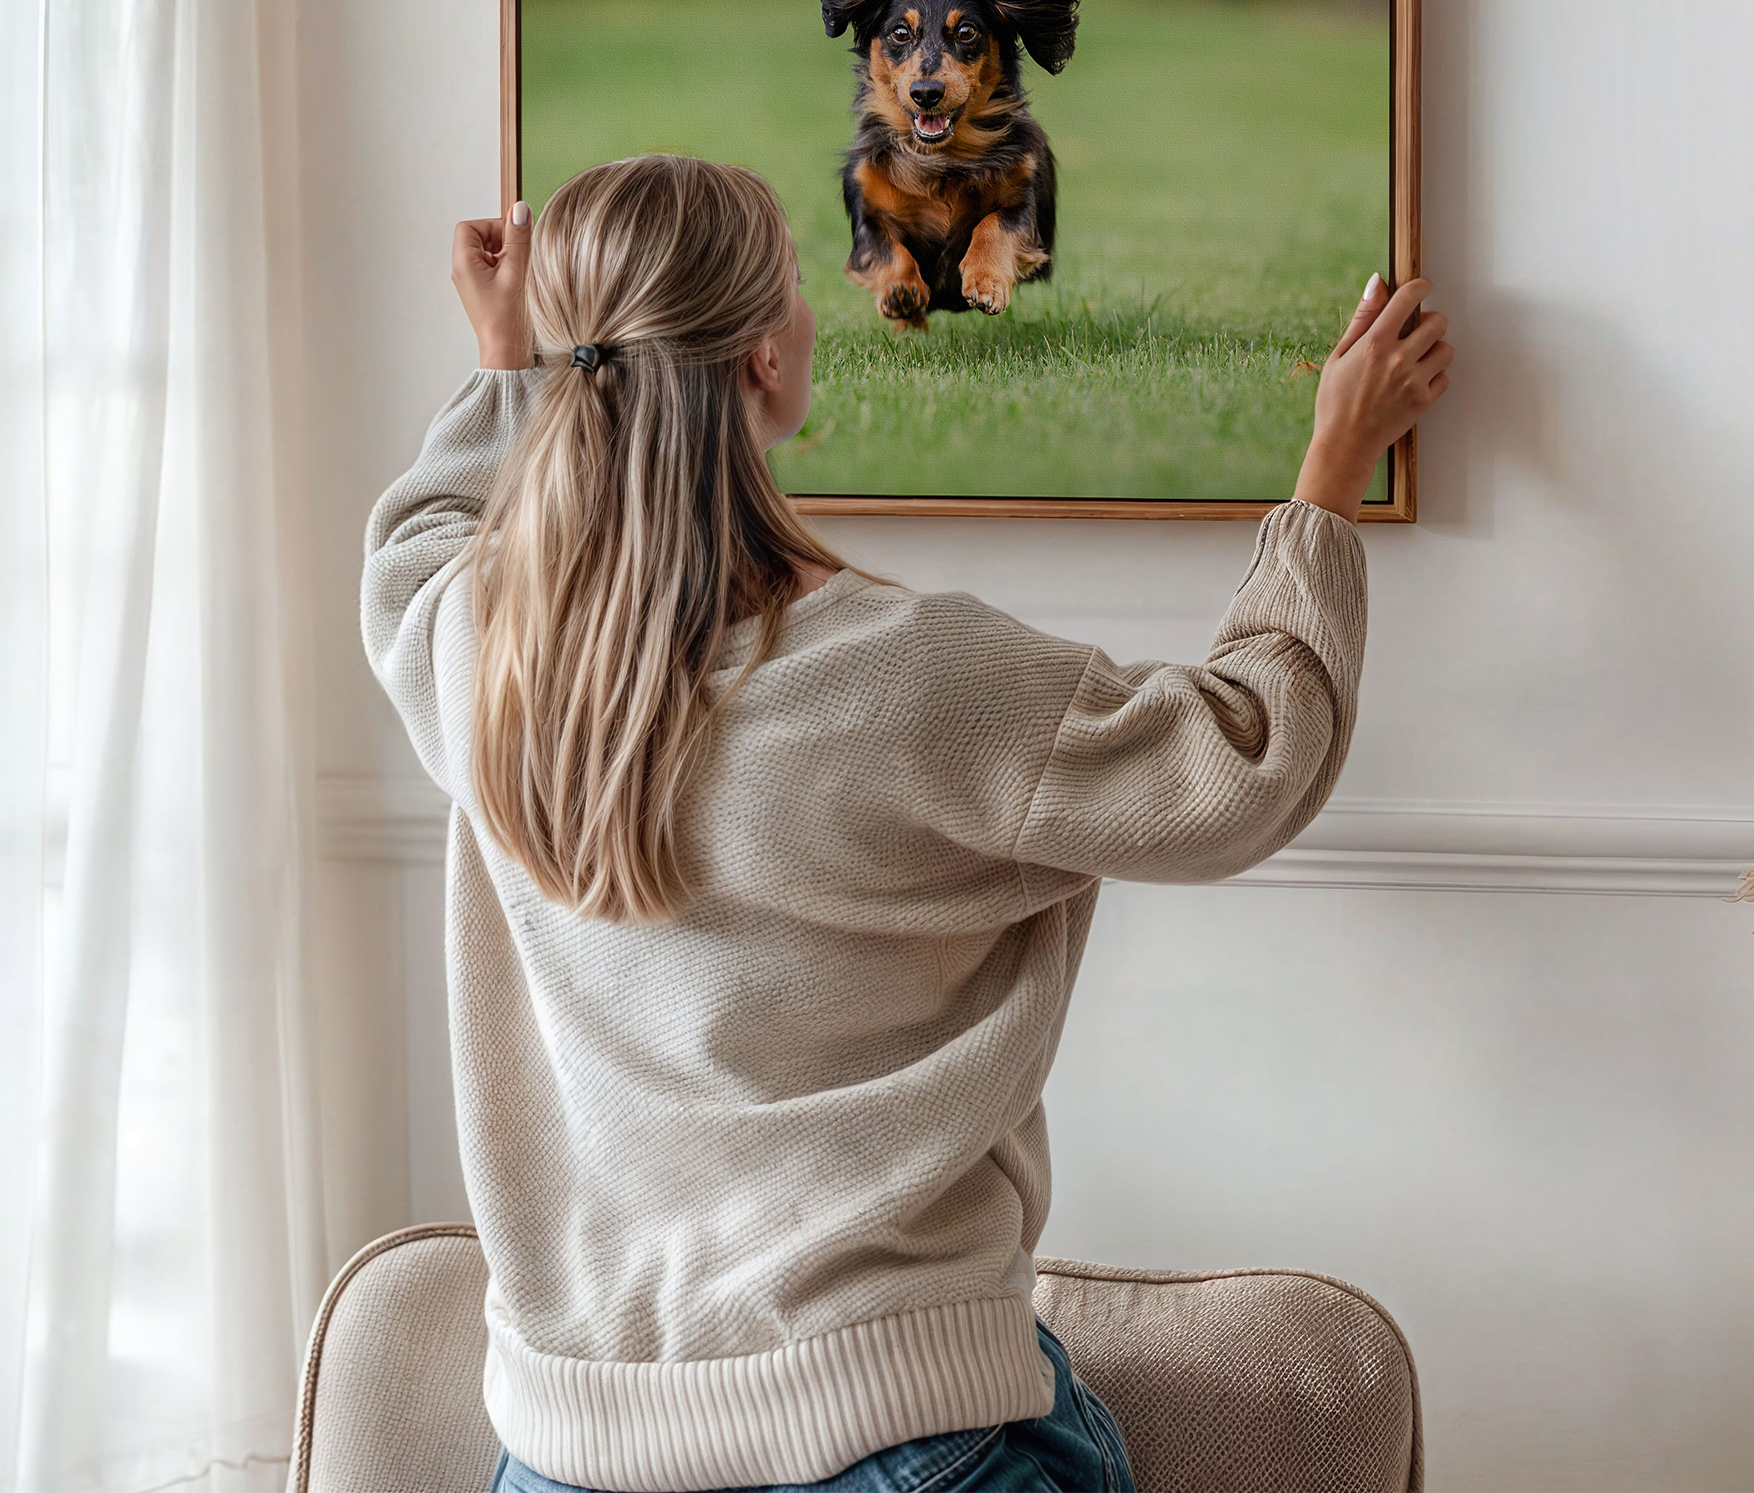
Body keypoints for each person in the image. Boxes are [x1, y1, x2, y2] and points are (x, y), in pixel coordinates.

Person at [362, 153, 1452, 1493]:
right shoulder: (907, 676)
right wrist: (1332, 467)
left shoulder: (481, 657)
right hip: (892, 1441)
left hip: (563, 1458)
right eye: (803, 283)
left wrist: (504, 365)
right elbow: (1242, 759)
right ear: (764, 362)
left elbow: (412, 546)